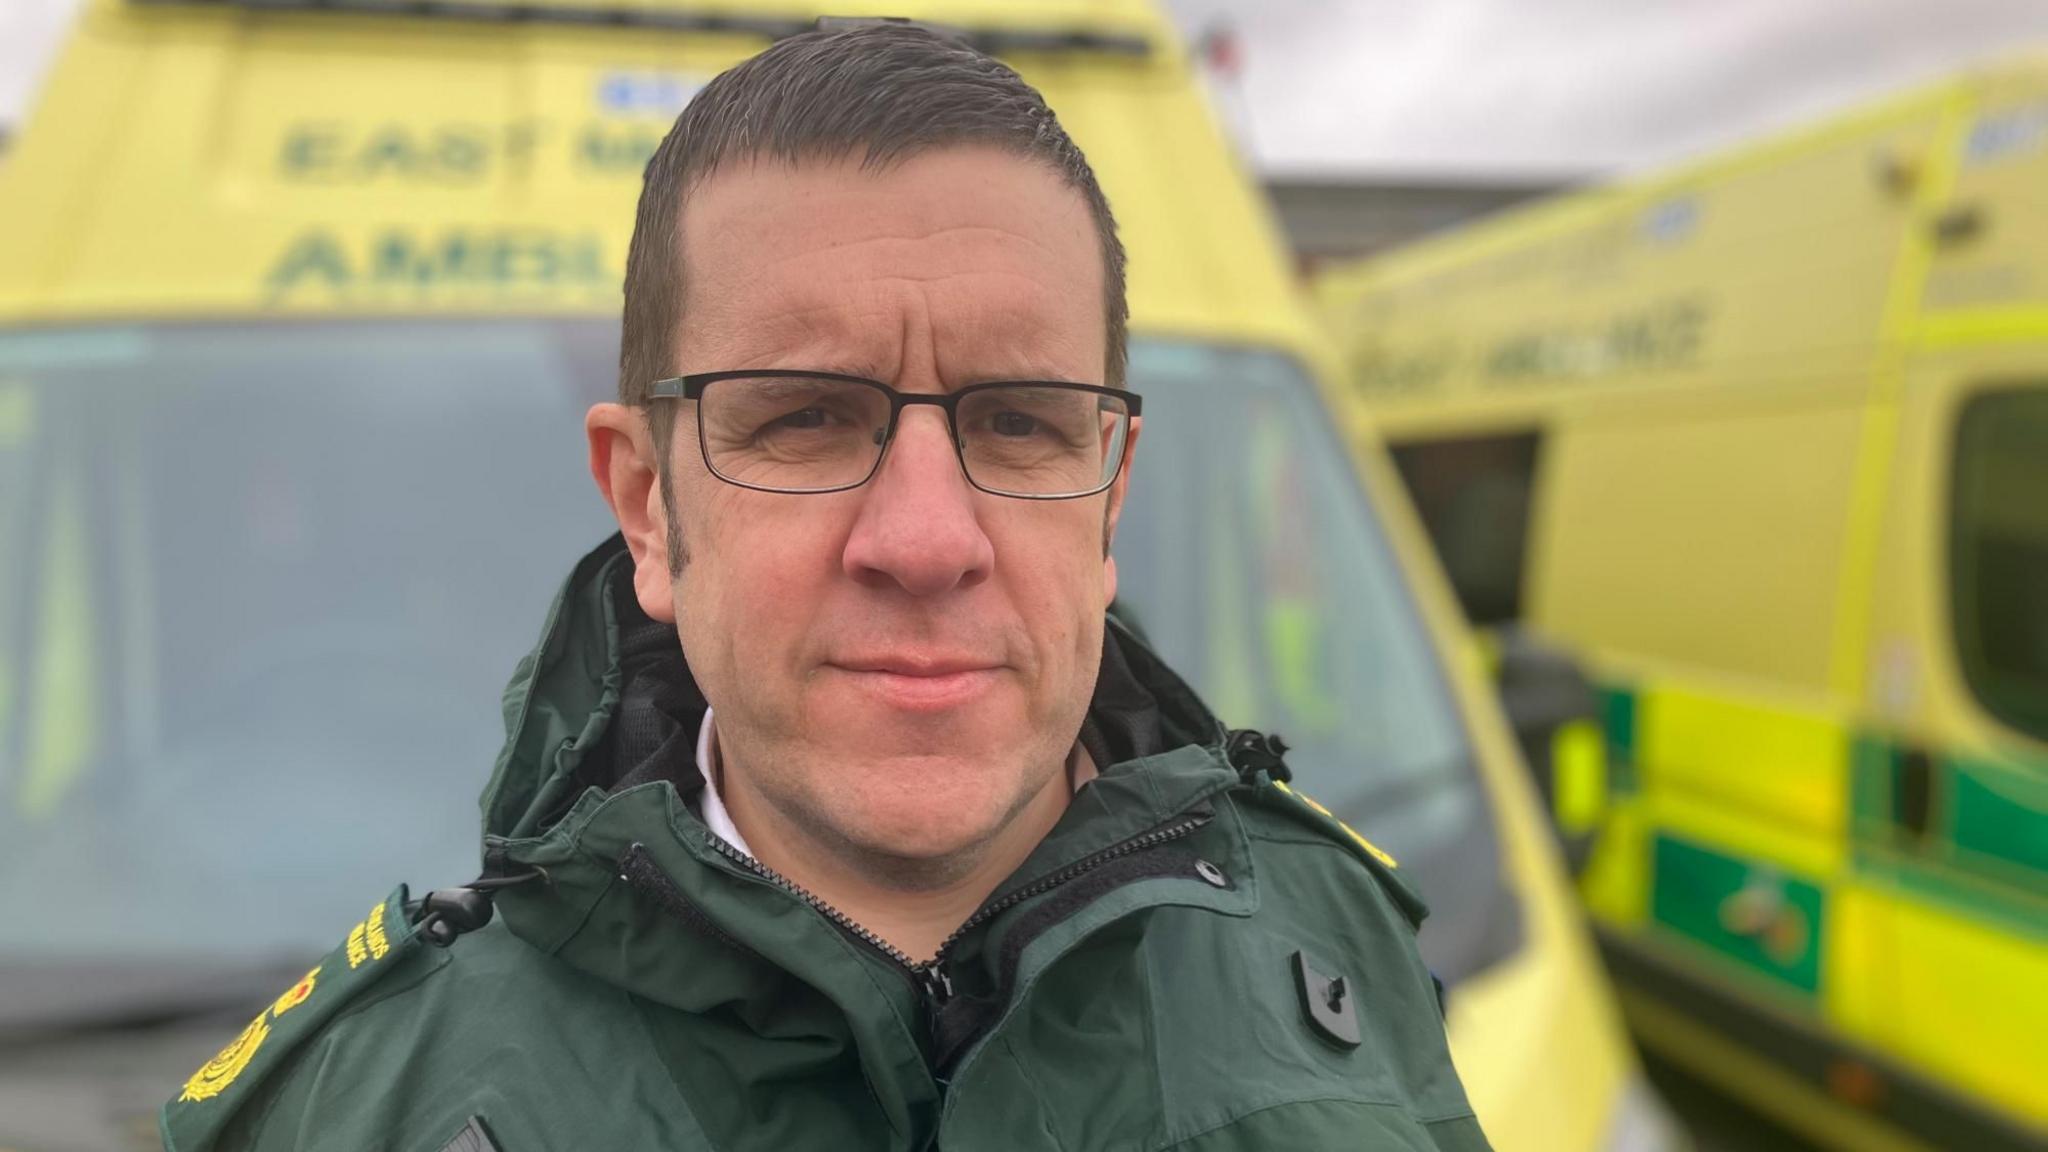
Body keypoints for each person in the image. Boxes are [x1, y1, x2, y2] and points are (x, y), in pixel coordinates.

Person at [161, 23, 1489, 1152]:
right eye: (802, 418)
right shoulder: (365, 1107)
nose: (924, 539)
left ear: (1111, 489)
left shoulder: (1338, 945)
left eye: (1022, 422)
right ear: (648, 507)